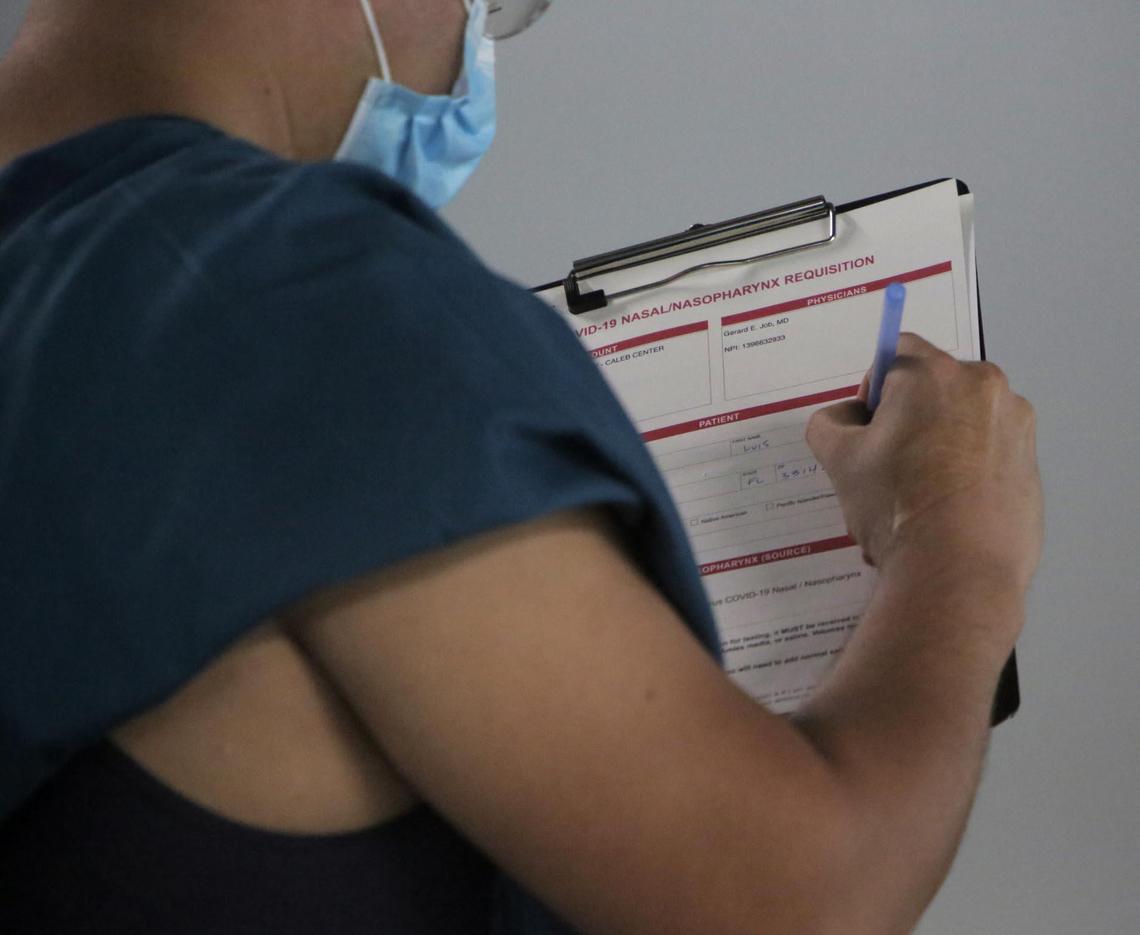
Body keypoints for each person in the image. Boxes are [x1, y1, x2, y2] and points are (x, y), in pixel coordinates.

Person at [0, 0, 1042, 932]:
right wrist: (955, 541)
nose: (472, 50)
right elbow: (801, 897)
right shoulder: (302, 292)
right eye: (502, 13)